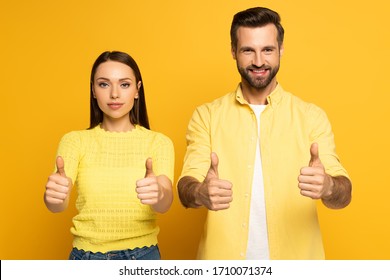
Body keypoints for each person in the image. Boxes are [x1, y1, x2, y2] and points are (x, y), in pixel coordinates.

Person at [177, 7, 352, 260]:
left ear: (280, 50)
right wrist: (200, 192)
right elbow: (186, 186)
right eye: (248, 50)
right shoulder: (207, 115)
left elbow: (343, 194)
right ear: (233, 52)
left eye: (267, 49)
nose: (259, 61)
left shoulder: (311, 116)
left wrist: (328, 186)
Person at [44, 51, 174, 260]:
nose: (114, 94)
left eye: (124, 84)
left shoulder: (158, 142)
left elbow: (165, 202)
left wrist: (158, 193)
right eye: (104, 84)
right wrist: (54, 197)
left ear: (137, 90)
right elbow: (57, 205)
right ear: (93, 91)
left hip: (143, 257)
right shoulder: (74, 141)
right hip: (87, 258)